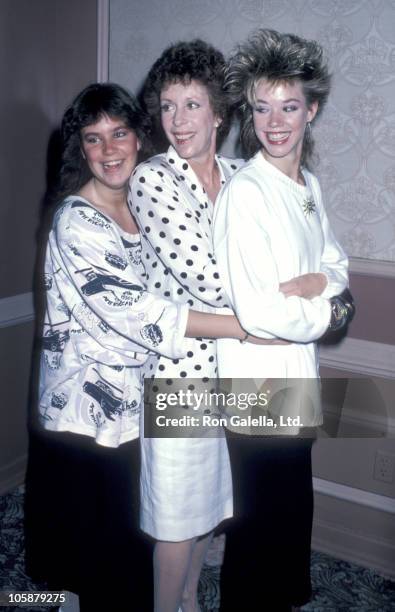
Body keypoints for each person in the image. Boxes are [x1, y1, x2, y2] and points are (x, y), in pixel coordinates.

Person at [23, 82, 260, 612]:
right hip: (88, 420)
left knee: (141, 550)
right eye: (93, 138)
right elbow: (142, 314)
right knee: (100, 570)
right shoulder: (76, 221)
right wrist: (244, 326)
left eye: (120, 133)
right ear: (79, 148)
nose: (108, 151)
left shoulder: (147, 205)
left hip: (143, 409)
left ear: (138, 137)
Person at [128, 39, 327, 612]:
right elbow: (216, 283)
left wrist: (305, 285)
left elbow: (305, 254)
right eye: (167, 106)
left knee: (214, 515)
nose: (178, 120)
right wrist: (273, 304)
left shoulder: (244, 174)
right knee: (175, 521)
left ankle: (191, 601)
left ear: (220, 111)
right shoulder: (153, 180)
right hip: (181, 375)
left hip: (239, 379)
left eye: (192, 104)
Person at [213, 29, 353, 611]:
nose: (275, 122)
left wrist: (322, 284)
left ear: (311, 109)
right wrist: (331, 307)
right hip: (254, 387)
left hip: (296, 379)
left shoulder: (309, 186)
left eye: (289, 106)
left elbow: (338, 266)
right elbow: (263, 311)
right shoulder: (247, 191)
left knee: (290, 521)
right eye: (263, 107)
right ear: (250, 111)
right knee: (258, 534)